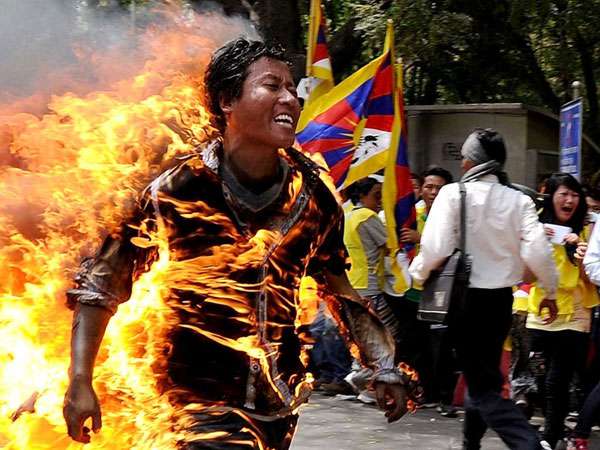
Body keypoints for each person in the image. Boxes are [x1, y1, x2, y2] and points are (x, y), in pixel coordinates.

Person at [62, 38, 420, 449]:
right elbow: (101, 288)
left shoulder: (315, 200)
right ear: (227, 101)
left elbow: (339, 293)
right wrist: (80, 380)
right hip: (194, 405)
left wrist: (383, 366)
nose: (290, 98)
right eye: (272, 86)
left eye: (292, 88)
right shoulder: (174, 192)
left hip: (278, 405)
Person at [409, 128, 559, 450]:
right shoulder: (519, 200)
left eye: (464, 157)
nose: (462, 164)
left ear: (471, 161)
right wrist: (549, 291)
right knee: (483, 375)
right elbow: (537, 251)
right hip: (500, 301)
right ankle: (470, 444)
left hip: (464, 301)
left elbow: (435, 248)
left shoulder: (453, 194)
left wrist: (417, 274)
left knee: (483, 386)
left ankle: (528, 442)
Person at [526, 173, 597, 450]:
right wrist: (535, 243)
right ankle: (552, 426)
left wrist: (579, 254)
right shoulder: (536, 227)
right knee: (541, 376)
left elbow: (592, 276)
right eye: (563, 194)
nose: (569, 200)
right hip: (541, 311)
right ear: (551, 197)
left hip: (575, 314)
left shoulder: (589, 230)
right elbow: (526, 274)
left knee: (558, 378)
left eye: (574, 195)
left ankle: (550, 436)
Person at [398, 166, 458, 415]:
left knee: (442, 347)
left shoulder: (454, 216)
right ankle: (419, 393)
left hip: (444, 290)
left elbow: (451, 247)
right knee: (415, 345)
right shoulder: (412, 213)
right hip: (414, 289)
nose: (433, 192)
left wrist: (419, 237)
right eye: (428, 186)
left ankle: (444, 397)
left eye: (439, 187)